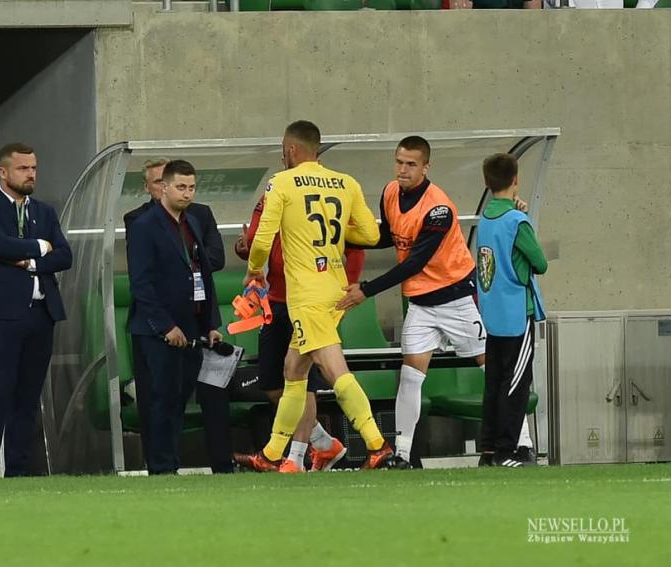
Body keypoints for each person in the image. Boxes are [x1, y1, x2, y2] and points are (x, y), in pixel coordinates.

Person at [337, 136, 536, 468]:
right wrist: (343, 235)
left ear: (426, 167)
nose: (403, 169)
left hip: (457, 299)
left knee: (495, 369)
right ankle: (402, 454)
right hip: (421, 304)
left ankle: (521, 443)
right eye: (399, 162)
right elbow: (388, 235)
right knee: (411, 375)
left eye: (411, 164)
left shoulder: (438, 208)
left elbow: (415, 261)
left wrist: (366, 290)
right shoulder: (389, 192)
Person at [233, 120, 394, 472]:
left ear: (290, 150)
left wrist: (254, 270)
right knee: (294, 369)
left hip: (305, 293)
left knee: (334, 369)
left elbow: (261, 239)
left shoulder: (282, 182)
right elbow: (368, 234)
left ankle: (377, 443)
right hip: (333, 286)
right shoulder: (346, 182)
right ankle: (272, 454)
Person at [233, 194, 365, 472]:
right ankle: (325, 444)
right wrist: (246, 249)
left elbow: (356, 244)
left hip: (309, 301)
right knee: (273, 385)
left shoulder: (330, 193)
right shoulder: (272, 195)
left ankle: (294, 458)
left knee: (302, 381)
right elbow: (260, 241)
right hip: (276, 300)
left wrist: (351, 284)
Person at [0, 142, 72, 477]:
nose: (31, 174)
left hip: (41, 314)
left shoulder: (44, 211)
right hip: (1, 314)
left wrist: (28, 261)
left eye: (34, 168)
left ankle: (17, 472)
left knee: (28, 398)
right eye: (23, 168)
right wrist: (41, 246)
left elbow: (65, 256)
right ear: (4, 171)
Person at [124, 158, 231, 473]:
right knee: (160, 403)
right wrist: (165, 326)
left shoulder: (193, 222)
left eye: (192, 187)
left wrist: (210, 323)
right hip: (158, 331)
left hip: (191, 328)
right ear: (163, 188)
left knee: (178, 402)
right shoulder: (144, 226)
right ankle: (161, 468)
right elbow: (141, 284)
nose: (187, 193)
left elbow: (203, 275)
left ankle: (171, 464)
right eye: (180, 187)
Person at [475, 154, 547, 467]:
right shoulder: (517, 221)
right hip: (518, 313)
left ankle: (489, 450)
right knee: (515, 385)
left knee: (493, 384)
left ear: (487, 182)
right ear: (515, 180)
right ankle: (507, 451)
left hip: (492, 313)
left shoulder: (485, 219)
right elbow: (540, 263)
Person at [124, 158, 225, 271]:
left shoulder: (201, 213)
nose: (164, 187)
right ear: (146, 187)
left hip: (200, 286)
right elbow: (142, 264)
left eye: (167, 181)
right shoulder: (137, 219)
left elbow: (217, 259)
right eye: (158, 182)